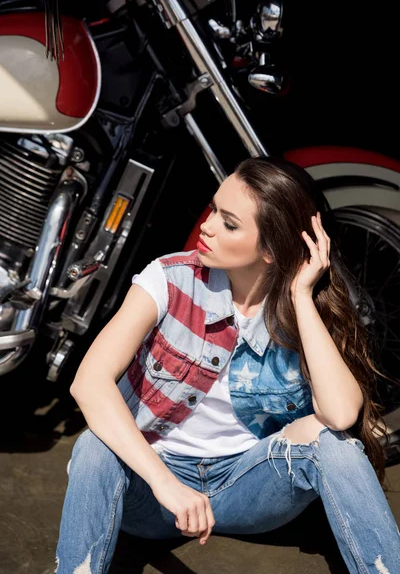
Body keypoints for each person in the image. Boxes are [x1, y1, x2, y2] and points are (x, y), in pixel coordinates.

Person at [54, 156, 400, 574]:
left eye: (230, 223)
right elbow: (88, 383)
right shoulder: (169, 280)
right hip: (151, 491)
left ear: (272, 249)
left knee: (332, 442)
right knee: (95, 445)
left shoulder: (300, 308)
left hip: (245, 486)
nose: (209, 225)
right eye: (215, 208)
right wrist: (166, 485)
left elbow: (342, 413)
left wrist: (302, 297)